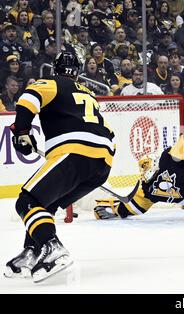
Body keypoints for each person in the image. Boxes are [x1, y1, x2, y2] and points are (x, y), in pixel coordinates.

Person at [4, 51, 115, 283]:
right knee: (46, 204)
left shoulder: (52, 82)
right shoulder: (89, 94)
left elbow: (28, 98)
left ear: (55, 69)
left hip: (75, 151)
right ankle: (32, 251)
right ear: (77, 71)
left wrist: (22, 132)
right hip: (102, 163)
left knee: (26, 201)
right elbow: (109, 133)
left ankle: (51, 246)